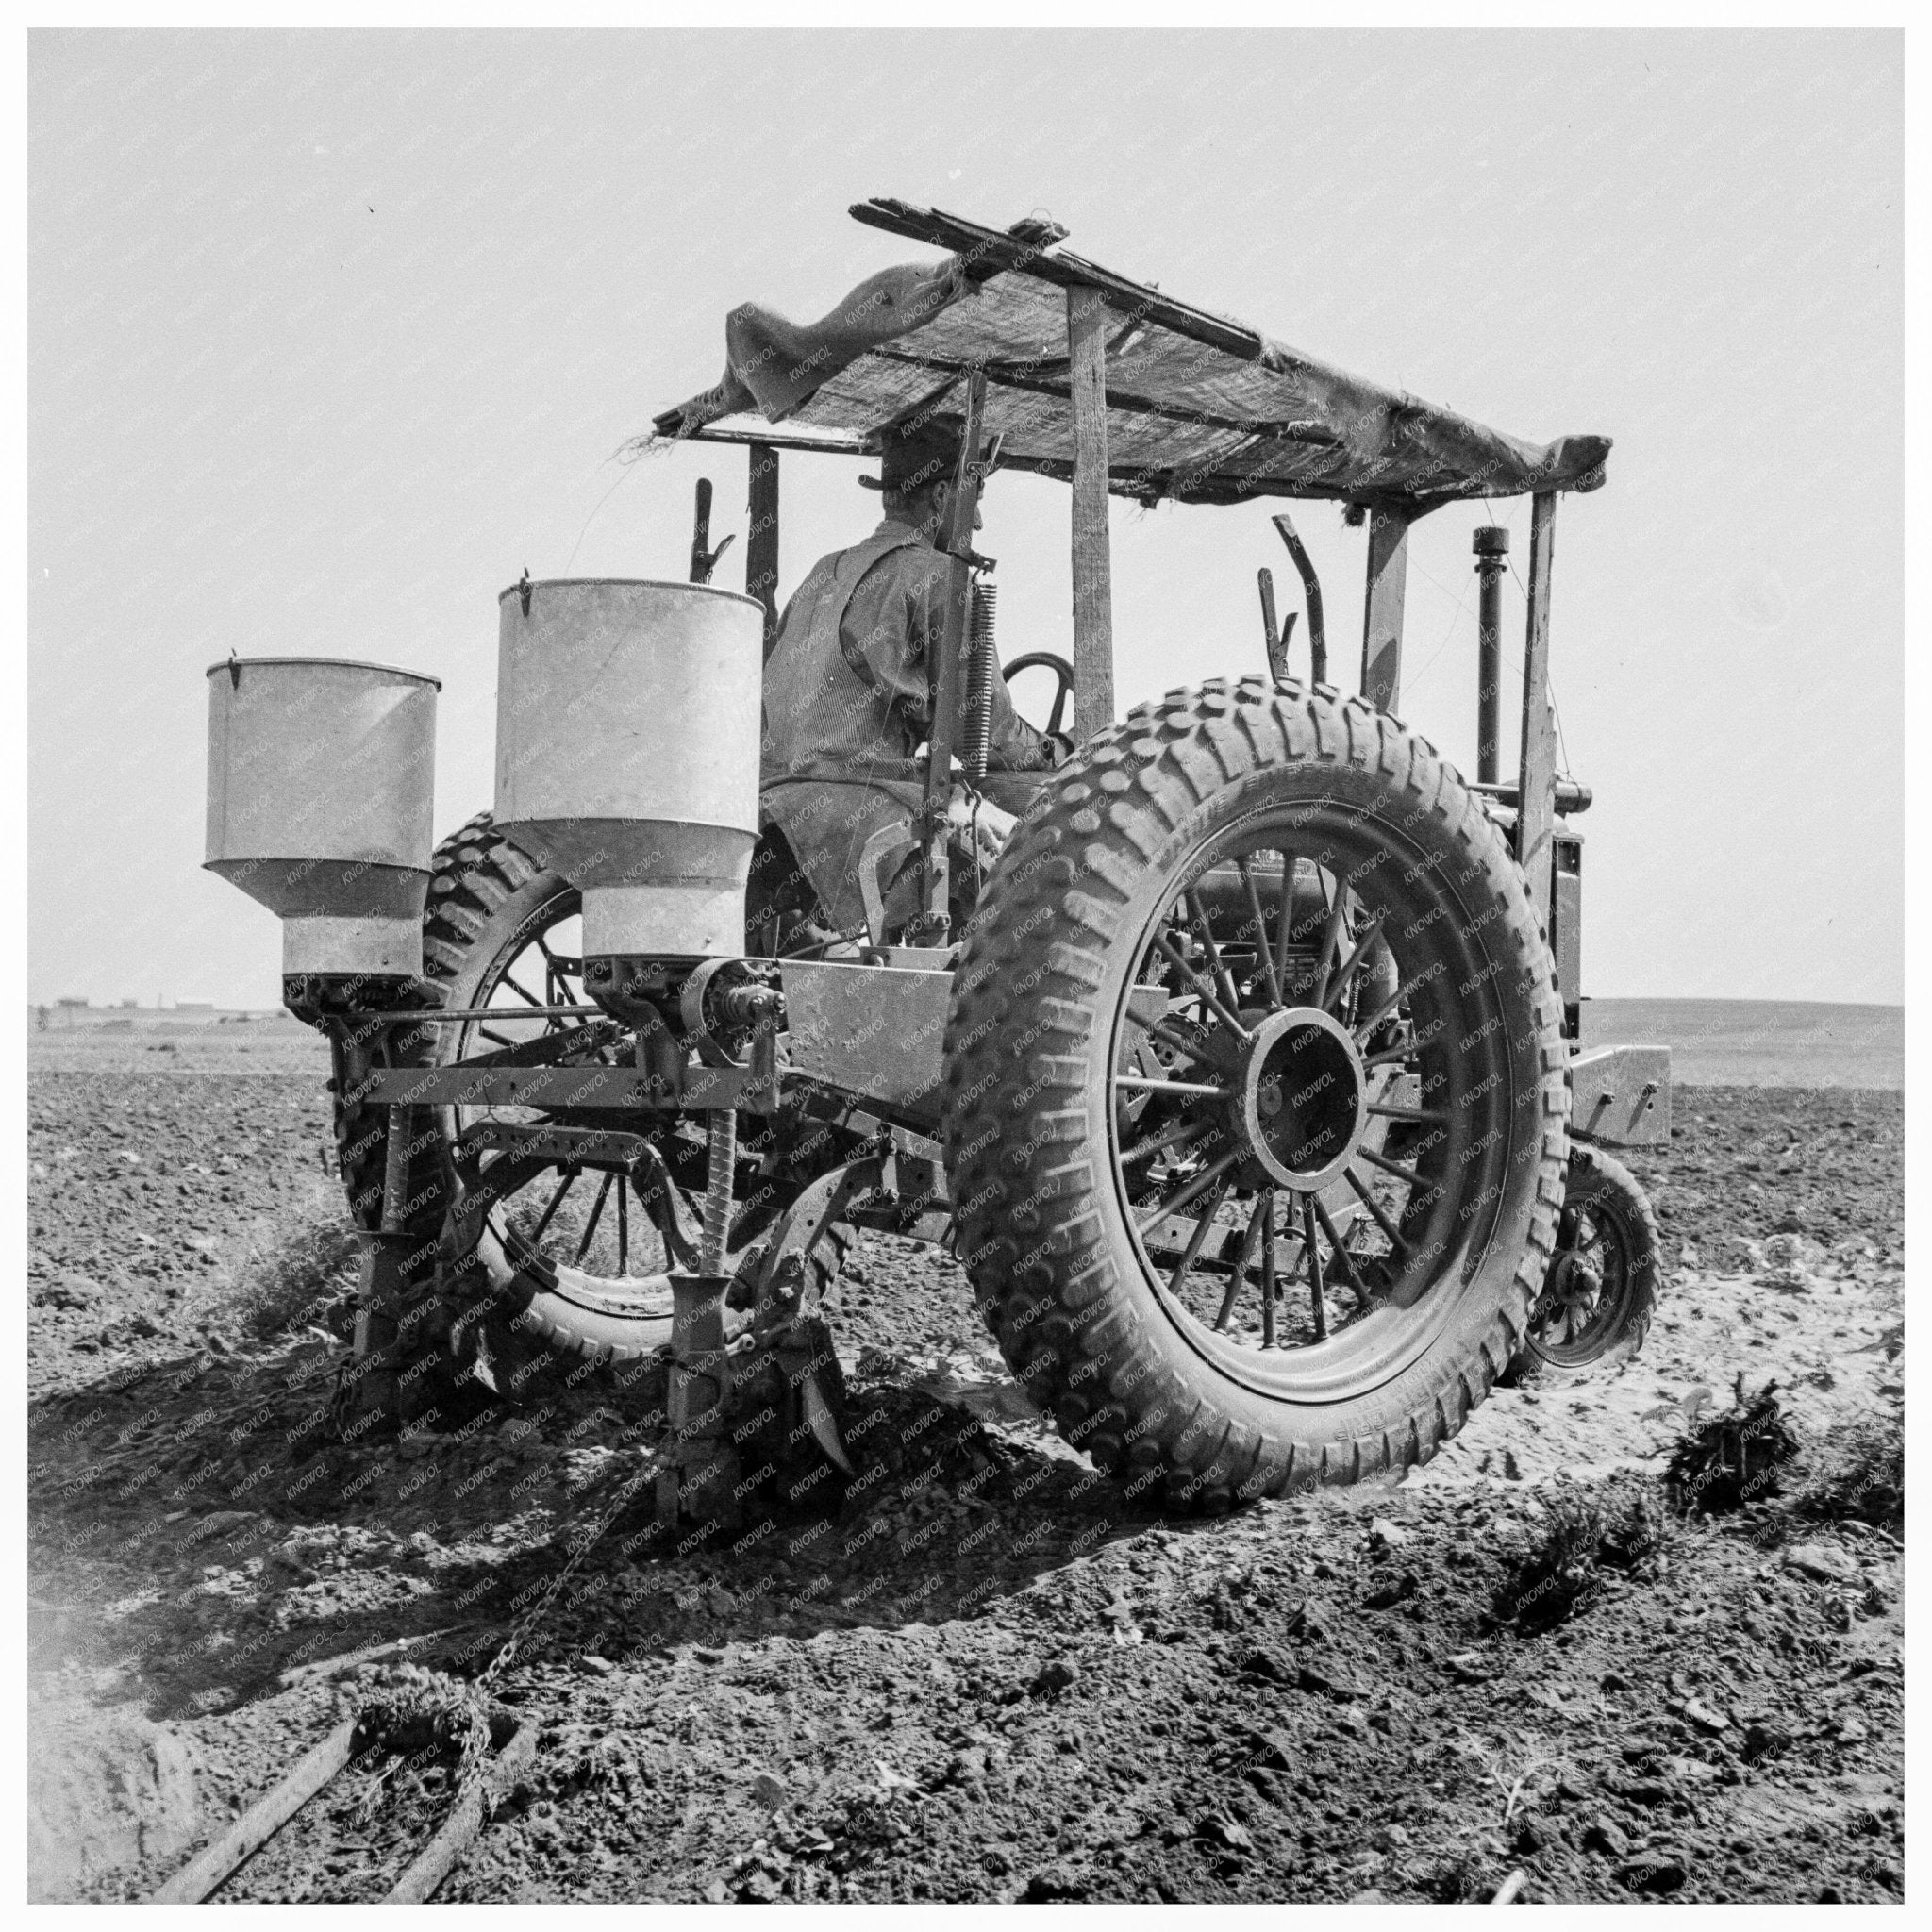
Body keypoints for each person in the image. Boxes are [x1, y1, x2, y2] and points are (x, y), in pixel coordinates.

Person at [757, 412, 1066, 947]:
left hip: (776, 804)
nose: (981, 523)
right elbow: (989, 732)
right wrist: (1057, 754)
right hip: (866, 805)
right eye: (977, 500)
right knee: (1048, 871)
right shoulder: (937, 575)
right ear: (944, 496)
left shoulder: (822, 571)